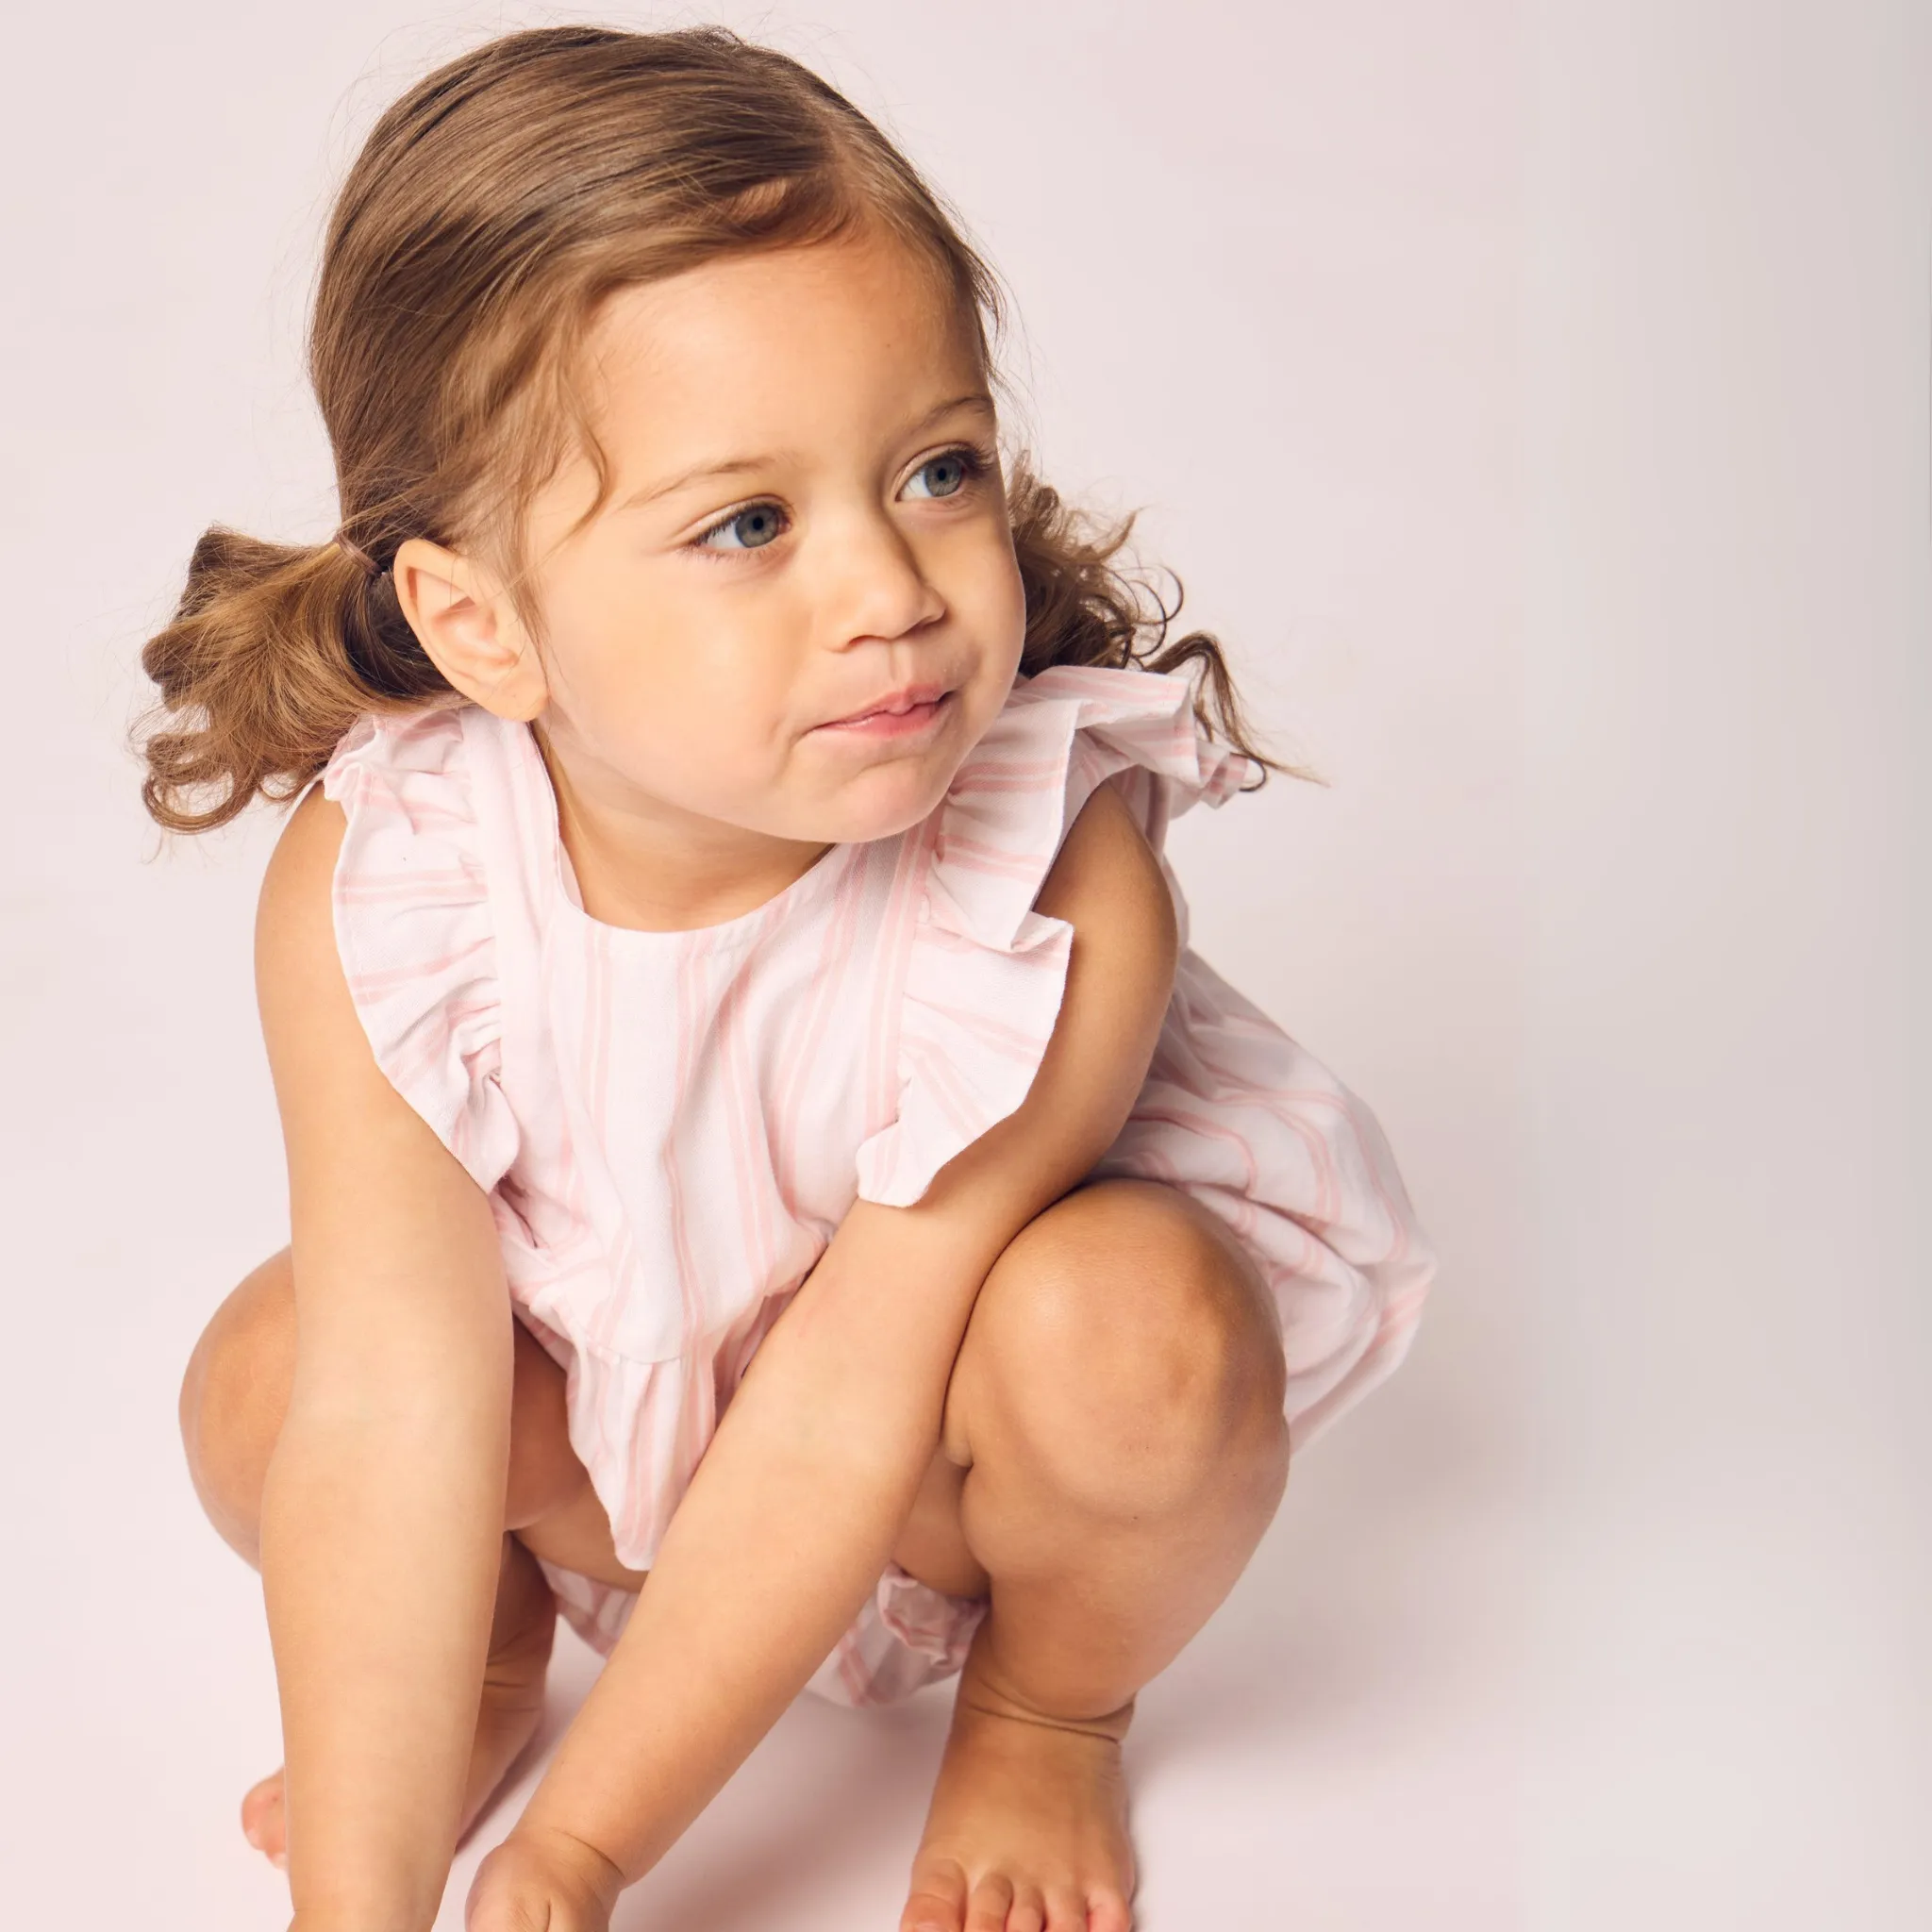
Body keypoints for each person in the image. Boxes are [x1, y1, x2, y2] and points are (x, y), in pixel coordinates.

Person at [146, 25, 1438, 1932]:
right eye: (748, 522)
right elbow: (395, 1403)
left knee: (1138, 1338)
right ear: (483, 623)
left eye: (934, 468)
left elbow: (848, 1403)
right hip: (612, 1445)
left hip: (932, 1468)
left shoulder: (1049, 889)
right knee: (276, 1376)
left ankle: (1047, 1704)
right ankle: (482, 1670)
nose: (892, 588)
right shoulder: (390, 880)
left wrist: (586, 1851)